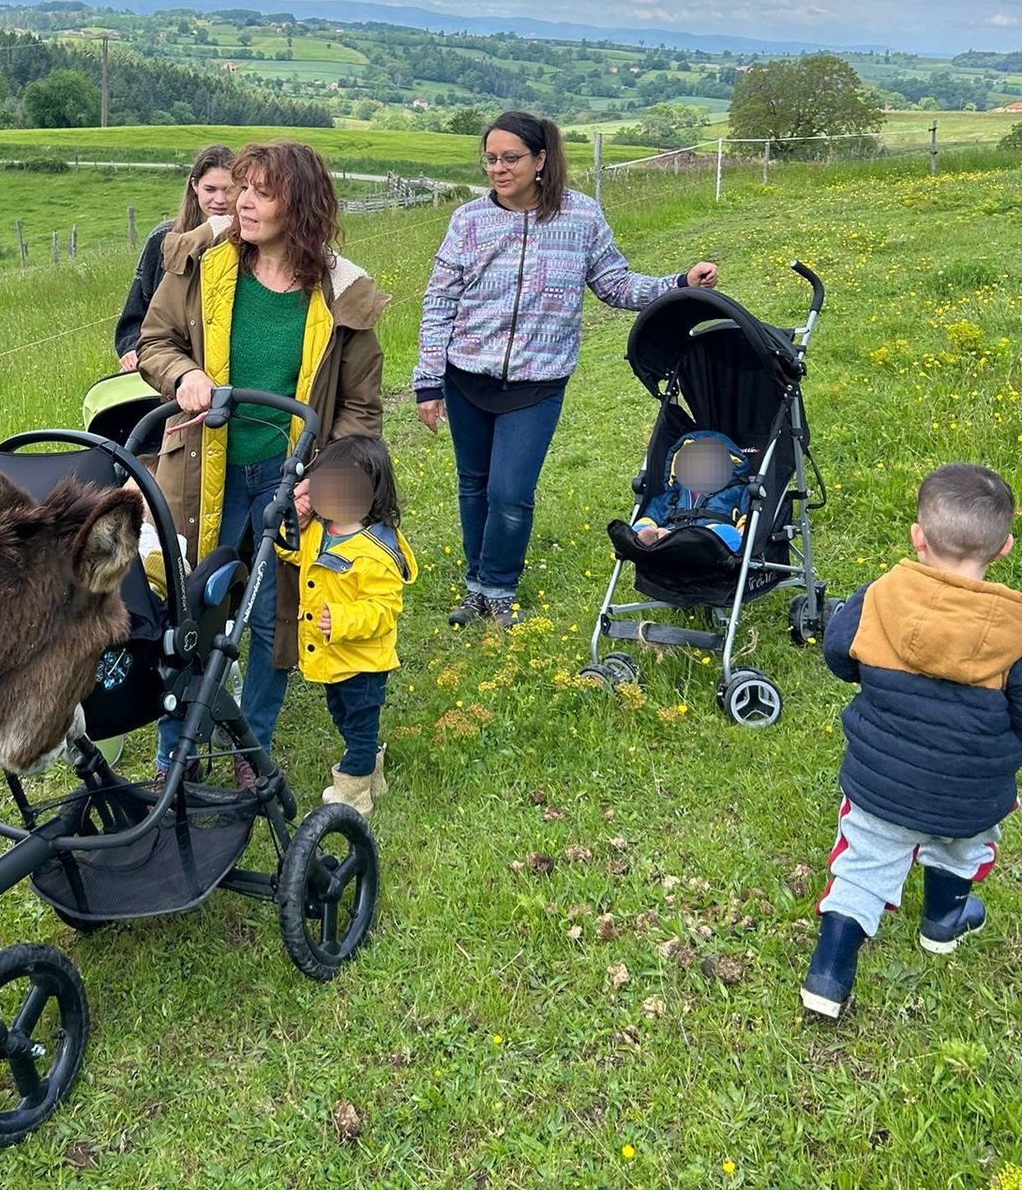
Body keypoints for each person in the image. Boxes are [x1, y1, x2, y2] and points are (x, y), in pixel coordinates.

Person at [137, 140, 387, 781]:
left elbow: (359, 411)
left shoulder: (342, 297)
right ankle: (177, 752)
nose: (242, 202)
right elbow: (153, 341)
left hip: (288, 480)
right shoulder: (202, 263)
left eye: (262, 191)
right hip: (199, 473)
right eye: (241, 187)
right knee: (188, 610)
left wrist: (325, 482)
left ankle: (253, 748)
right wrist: (184, 373)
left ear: (298, 207)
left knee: (276, 618)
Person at [415, 111, 719, 630]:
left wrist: (678, 283)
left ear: (541, 160)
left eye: (510, 158)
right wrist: (427, 380)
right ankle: (475, 587)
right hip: (467, 376)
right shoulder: (468, 220)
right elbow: (439, 300)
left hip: (538, 381)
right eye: (490, 158)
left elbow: (615, 285)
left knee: (510, 491)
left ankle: (500, 588)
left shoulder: (581, 217)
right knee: (474, 485)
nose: (498, 169)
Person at [802, 464, 1022, 1020]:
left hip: (882, 786)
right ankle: (942, 924)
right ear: (1004, 549)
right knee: (964, 846)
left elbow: (838, 654)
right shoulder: (1015, 630)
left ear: (918, 537)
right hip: (971, 795)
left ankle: (828, 977)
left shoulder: (879, 597)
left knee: (863, 867)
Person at [283, 436, 415, 818]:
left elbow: (383, 609)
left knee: (358, 725)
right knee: (342, 714)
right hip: (331, 656)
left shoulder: (377, 551)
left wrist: (341, 620)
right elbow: (289, 551)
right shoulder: (320, 531)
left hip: (363, 661)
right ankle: (373, 773)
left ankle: (353, 795)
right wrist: (293, 519)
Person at [114, 144, 235, 372]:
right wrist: (131, 348)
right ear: (195, 186)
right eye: (210, 189)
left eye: (228, 190)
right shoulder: (164, 238)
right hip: (164, 362)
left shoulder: (249, 244)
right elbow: (137, 309)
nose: (220, 199)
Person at [629, 431, 750, 552]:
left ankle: (677, 543)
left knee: (728, 533)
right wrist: (645, 525)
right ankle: (646, 537)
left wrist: (744, 524)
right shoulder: (675, 493)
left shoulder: (737, 489)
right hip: (672, 531)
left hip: (711, 534)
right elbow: (654, 512)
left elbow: (749, 508)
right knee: (645, 529)